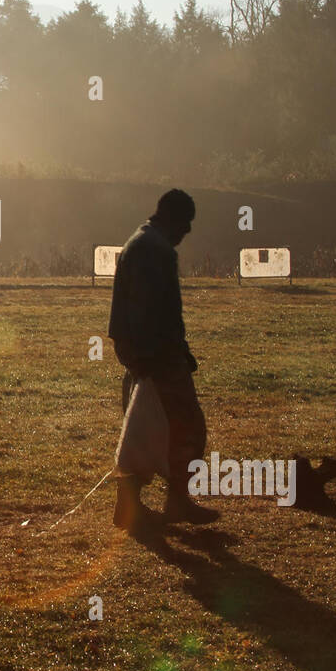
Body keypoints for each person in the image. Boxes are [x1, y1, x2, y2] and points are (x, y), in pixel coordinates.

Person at [107, 189, 218, 532]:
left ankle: (135, 504)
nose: (187, 232)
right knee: (185, 427)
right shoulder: (155, 251)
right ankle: (174, 501)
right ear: (173, 218)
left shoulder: (140, 243)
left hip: (145, 354)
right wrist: (163, 356)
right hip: (157, 356)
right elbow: (155, 312)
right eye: (186, 224)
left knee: (146, 430)